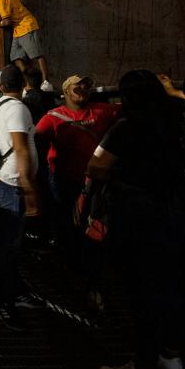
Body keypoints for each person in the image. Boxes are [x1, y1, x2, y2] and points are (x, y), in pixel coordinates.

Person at [86, 69, 185, 369]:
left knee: (139, 293)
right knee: (168, 286)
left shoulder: (126, 129)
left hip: (136, 216)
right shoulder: (180, 124)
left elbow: (97, 167)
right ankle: (171, 357)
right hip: (175, 213)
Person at [35, 75, 121, 274]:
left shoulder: (102, 111)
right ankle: (70, 264)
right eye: (78, 86)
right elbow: (37, 144)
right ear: (65, 91)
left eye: (86, 86)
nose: (83, 89)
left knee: (94, 224)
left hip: (95, 182)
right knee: (67, 223)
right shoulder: (52, 118)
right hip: (65, 181)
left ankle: (91, 265)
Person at [0, 65, 42, 329]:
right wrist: (29, 188)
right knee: (7, 249)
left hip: (8, 184)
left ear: (0, 86)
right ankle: (3, 303)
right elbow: (20, 148)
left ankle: (15, 292)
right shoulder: (17, 109)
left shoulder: (2, 106)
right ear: (22, 84)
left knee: (8, 247)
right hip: (14, 187)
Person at [0, 0, 52, 91]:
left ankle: (46, 83)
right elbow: (23, 1)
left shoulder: (0, 0)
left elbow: (6, 22)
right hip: (18, 29)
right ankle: (29, 82)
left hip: (27, 26)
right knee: (15, 57)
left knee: (37, 55)